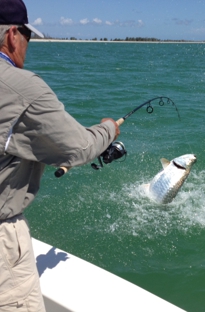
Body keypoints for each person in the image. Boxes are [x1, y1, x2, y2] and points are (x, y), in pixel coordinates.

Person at [0, 0, 120, 311]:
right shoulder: (23, 88)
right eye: (28, 36)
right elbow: (77, 148)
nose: (27, 45)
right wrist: (107, 129)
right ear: (13, 34)